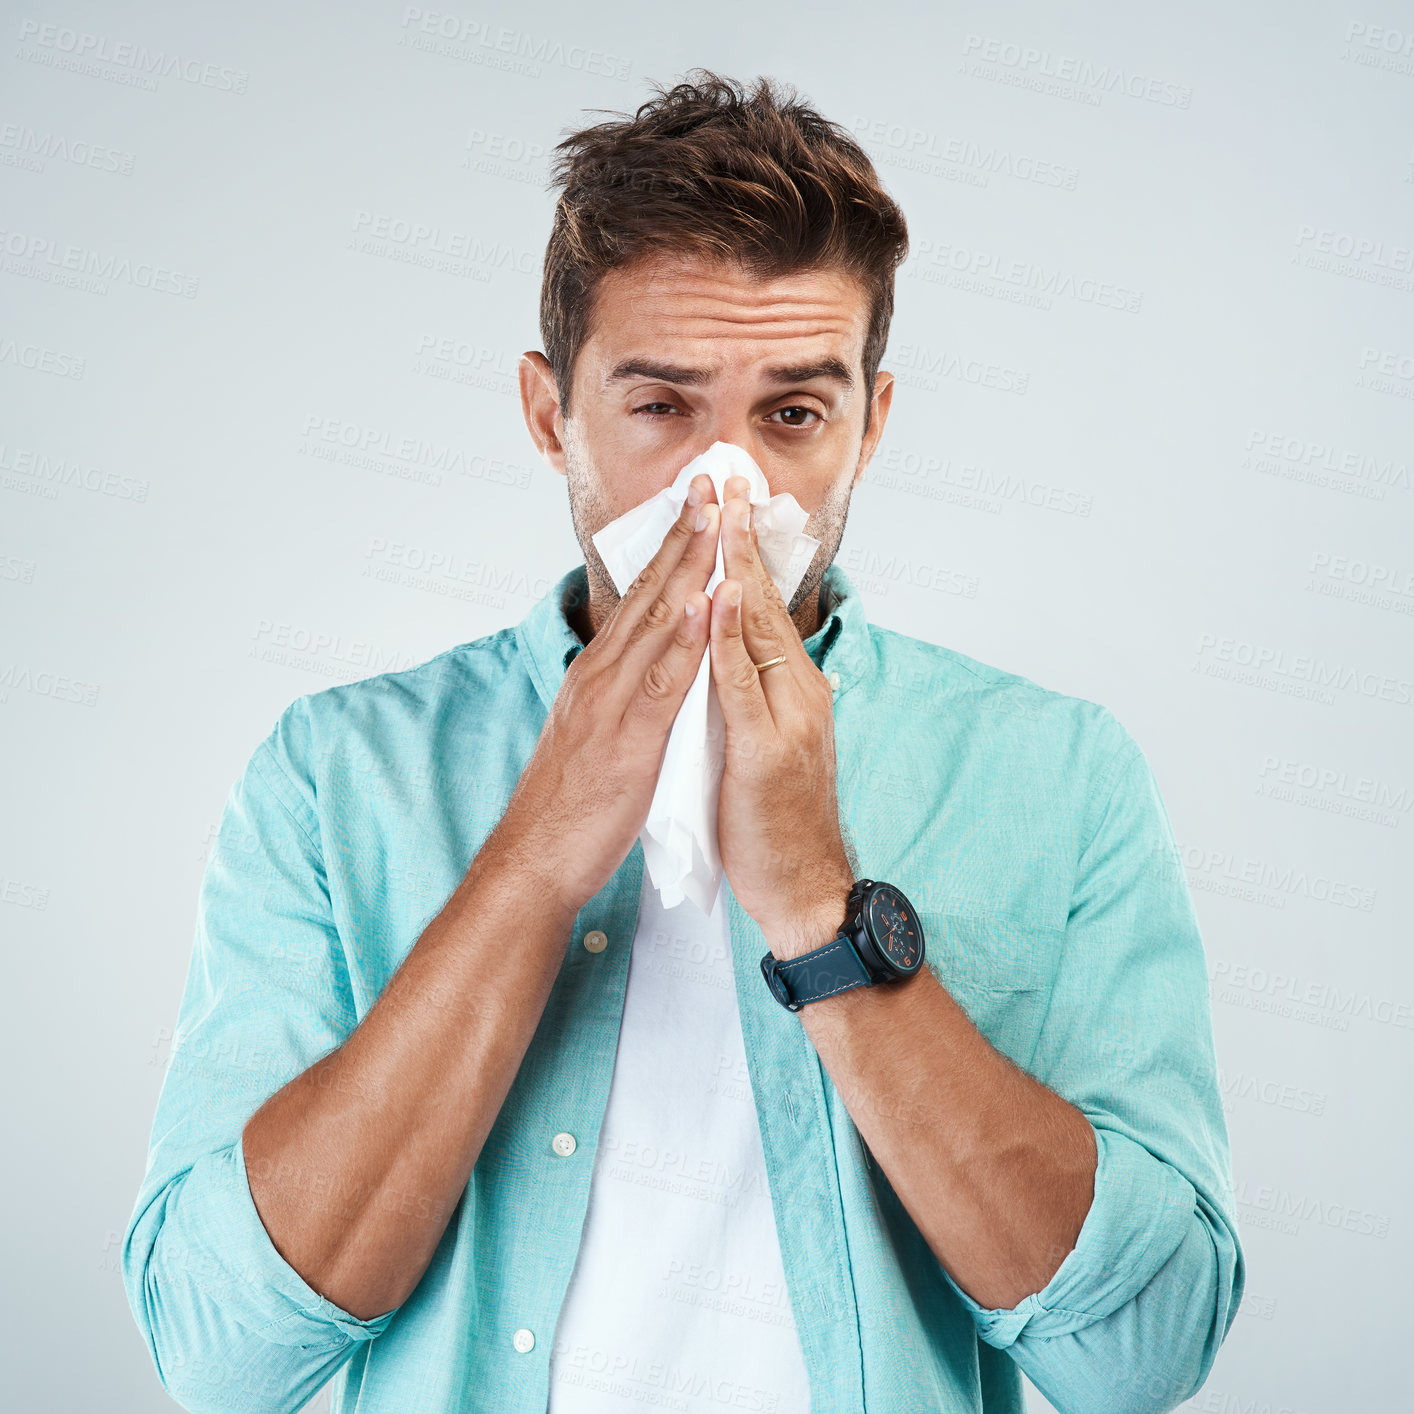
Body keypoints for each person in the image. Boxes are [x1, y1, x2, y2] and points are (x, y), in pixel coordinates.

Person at [122, 69, 1244, 1414]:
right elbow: (218, 1351)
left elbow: (1139, 1357)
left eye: (792, 412)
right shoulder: (335, 772)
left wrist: (819, 909)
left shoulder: (1057, 775)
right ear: (551, 413)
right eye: (661, 407)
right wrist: (537, 858)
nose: (731, 483)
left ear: (870, 424)